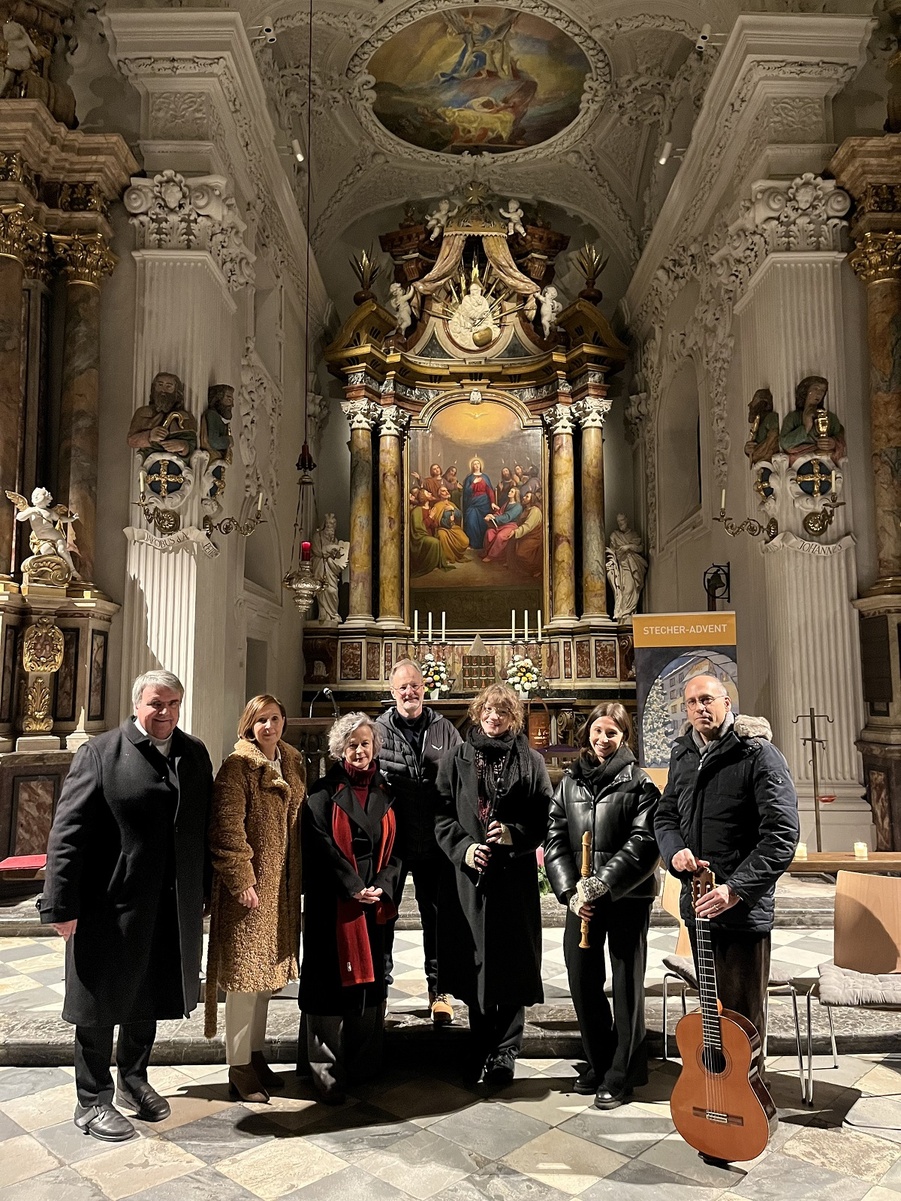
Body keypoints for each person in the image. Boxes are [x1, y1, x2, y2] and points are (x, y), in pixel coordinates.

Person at [38, 670, 213, 1142]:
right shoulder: (101, 753)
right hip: (109, 906)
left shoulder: (193, 753)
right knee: (98, 1003)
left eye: (173, 703)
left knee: (148, 993)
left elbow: (201, 828)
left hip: (167, 906)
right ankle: (92, 1101)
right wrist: (60, 905)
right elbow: (67, 834)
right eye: (156, 703)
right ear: (137, 704)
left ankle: (133, 1081)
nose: (165, 712)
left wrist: (204, 890)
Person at [653, 674, 799, 1081]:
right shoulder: (683, 753)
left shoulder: (758, 754)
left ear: (726, 702)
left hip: (741, 913)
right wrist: (674, 850)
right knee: (712, 1018)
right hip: (699, 905)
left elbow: (782, 835)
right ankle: (716, 1097)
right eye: (692, 702)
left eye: (707, 699)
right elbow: (665, 815)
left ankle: (747, 1100)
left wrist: (735, 890)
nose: (700, 708)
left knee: (741, 1023)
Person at [435, 684, 553, 1085]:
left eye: (502, 711)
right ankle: (481, 1042)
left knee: (513, 962)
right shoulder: (455, 759)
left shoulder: (531, 761)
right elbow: (441, 815)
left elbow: (544, 816)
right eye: (488, 709)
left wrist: (513, 834)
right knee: (476, 961)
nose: (494, 717)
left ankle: (506, 1052)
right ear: (477, 712)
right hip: (471, 877)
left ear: (513, 717)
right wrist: (465, 849)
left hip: (513, 877)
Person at [544, 703, 660, 1109]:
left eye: (612, 732)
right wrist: (571, 892)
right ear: (588, 733)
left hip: (626, 897)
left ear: (624, 736)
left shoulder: (639, 783)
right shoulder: (570, 781)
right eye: (597, 731)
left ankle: (622, 1072)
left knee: (626, 985)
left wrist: (602, 884)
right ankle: (599, 1059)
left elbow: (645, 843)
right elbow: (554, 837)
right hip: (582, 901)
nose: (603, 739)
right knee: (581, 978)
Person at [204, 695, 306, 1103]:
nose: (269, 726)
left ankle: (256, 1054)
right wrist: (241, 879)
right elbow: (226, 828)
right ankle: (238, 1065)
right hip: (249, 891)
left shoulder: (291, 760)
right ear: (249, 724)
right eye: (261, 720)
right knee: (245, 981)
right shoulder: (238, 767)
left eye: (275, 718)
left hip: (280, 888)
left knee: (266, 979)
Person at [298, 713, 401, 1104]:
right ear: (340, 749)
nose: (360, 750)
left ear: (375, 747)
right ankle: (325, 1070)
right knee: (328, 986)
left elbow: (399, 850)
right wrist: (353, 887)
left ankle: (364, 1064)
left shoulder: (387, 791)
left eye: (365, 743)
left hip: (375, 902)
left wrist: (382, 886)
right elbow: (319, 846)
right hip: (335, 902)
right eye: (352, 744)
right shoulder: (323, 793)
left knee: (371, 984)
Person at [377, 660, 462, 1025]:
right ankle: (379, 991)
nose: (409, 692)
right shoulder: (377, 730)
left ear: (424, 687)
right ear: (392, 692)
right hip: (393, 840)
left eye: (415, 685)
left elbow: (462, 778)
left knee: (437, 917)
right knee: (383, 915)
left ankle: (439, 991)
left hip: (435, 838)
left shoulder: (445, 729)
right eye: (402, 687)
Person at [126, 371, 197, 459]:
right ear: (154, 388)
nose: (163, 390)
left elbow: (193, 442)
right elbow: (131, 440)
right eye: (160, 385)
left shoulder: (186, 416)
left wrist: (183, 446)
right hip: (151, 460)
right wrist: (150, 436)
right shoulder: (143, 412)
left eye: (169, 386)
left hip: (177, 462)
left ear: (176, 391)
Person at [778, 375, 845, 466]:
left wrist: (833, 443)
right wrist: (806, 427)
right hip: (799, 465)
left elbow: (840, 438)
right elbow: (785, 443)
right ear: (805, 391)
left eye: (822, 390)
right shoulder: (793, 417)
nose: (819, 393)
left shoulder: (830, 418)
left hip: (826, 464)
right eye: (815, 389)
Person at [605, 514, 647, 622]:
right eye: (618, 522)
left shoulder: (633, 534)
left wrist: (627, 547)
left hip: (632, 565)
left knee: (631, 589)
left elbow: (640, 548)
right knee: (623, 590)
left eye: (622, 521)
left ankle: (628, 613)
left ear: (627, 520)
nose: (620, 523)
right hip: (621, 567)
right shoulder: (615, 535)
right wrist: (611, 562)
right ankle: (624, 614)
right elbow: (612, 552)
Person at [462, 457, 496, 550]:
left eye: (478, 464)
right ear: (472, 466)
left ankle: (483, 544)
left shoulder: (485, 477)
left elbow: (490, 491)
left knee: (483, 523)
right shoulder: (469, 478)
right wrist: (474, 483)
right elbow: (466, 492)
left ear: (480, 465)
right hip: (472, 503)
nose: (476, 465)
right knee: (471, 522)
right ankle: (473, 544)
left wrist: (492, 502)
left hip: (484, 503)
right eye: (474, 464)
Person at [431, 485, 470, 562]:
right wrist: (447, 521)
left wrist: (453, 510)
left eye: (446, 490)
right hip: (443, 528)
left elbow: (460, 515)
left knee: (465, 541)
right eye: (443, 491)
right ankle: (448, 557)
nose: (446, 492)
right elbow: (437, 520)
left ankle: (458, 555)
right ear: (439, 494)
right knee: (442, 535)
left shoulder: (452, 504)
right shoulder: (437, 505)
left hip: (453, 527)